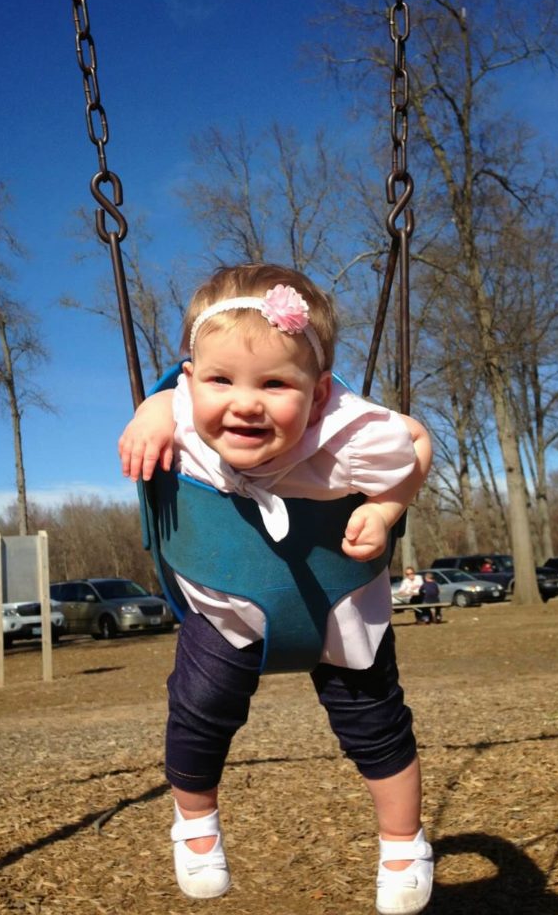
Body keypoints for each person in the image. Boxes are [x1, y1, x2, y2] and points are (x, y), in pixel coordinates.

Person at [119, 263, 434, 915]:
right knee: (199, 708)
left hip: (340, 613)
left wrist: (384, 510)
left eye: (274, 384)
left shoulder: (343, 434)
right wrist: (150, 411)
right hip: (225, 616)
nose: (244, 401)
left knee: (378, 724)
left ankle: (404, 844)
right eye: (220, 379)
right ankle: (196, 825)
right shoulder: (177, 417)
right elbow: (170, 400)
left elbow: (414, 445)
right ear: (190, 380)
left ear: (317, 395)